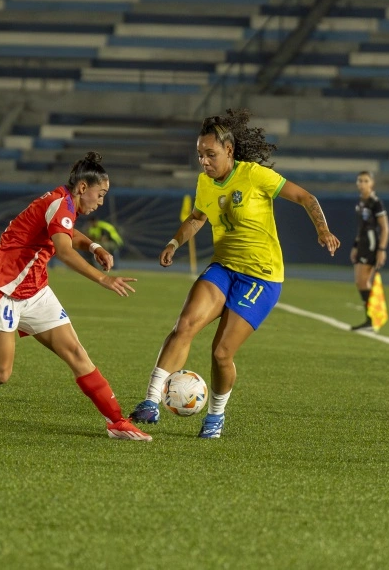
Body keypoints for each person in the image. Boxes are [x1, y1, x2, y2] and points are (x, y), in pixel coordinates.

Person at [128, 109, 340, 439]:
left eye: (210, 154)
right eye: (200, 154)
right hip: (224, 268)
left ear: (228, 150)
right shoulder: (204, 182)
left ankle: (215, 416)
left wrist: (322, 230)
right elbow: (198, 217)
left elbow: (305, 197)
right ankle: (151, 402)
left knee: (221, 352)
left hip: (261, 277)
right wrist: (174, 242)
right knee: (184, 325)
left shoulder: (255, 175)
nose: (204, 161)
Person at [0, 152, 152, 441]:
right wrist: (102, 278)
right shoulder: (59, 203)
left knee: (76, 353)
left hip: (34, 290)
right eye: (100, 194)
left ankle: (116, 421)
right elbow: (64, 251)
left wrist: (94, 247)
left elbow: (67, 233)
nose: (101, 201)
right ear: (82, 189)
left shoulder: (63, 203)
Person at [349, 171, 389, 332]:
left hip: (372, 245)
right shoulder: (361, 202)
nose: (362, 183)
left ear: (372, 183)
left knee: (363, 281)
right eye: (360, 180)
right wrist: (356, 245)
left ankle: (373, 318)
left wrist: (382, 249)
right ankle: (371, 318)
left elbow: (385, 228)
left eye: (366, 180)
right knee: (360, 282)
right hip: (363, 244)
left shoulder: (375, 202)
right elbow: (361, 227)